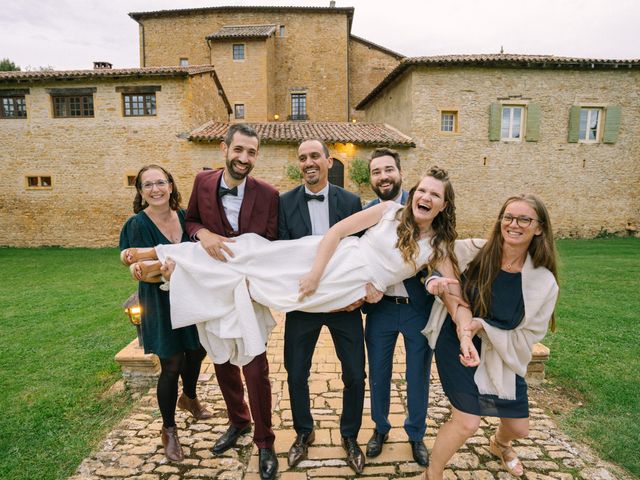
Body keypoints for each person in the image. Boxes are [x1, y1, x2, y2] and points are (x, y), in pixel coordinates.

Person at [421, 194, 559, 479]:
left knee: (520, 428)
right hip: (456, 340)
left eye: (524, 219)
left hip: (501, 351)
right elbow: (436, 254)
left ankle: (500, 444)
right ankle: (432, 474)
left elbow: (532, 332)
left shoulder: (544, 282)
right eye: (508, 217)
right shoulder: (476, 251)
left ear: (539, 228)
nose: (514, 224)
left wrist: (484, 327)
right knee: (467, 422)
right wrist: (434, 280)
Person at [182, 123, 279, 480]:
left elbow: (271, 241)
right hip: (212, 291)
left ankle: (265, 441)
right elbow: (190, 220)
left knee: (256, 366)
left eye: (251, 152)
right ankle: (238, 421)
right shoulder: (201, 182)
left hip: (248, 294)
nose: (244, 158)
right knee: (222, 360)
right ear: (224, 149)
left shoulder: (268, 194)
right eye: (238, 150)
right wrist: (203, 233)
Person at [279, 139, 366, 473]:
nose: (308, 162)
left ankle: (349, 436)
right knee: (296, 372)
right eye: (302, 158)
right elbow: (283, 255)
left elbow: (359, 252)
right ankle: (304, 432)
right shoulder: (284, 203)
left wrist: (358, 291)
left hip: (343, 306)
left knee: (356, 374)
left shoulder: (350, 201)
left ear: (329, 161)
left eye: (314, 156)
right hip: (303, 305)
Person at [119, 164, 212, 463]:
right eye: (148, 185)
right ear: (141, 192)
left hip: (190, 294)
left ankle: (190, 397)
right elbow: (133, 263)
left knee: (197, 351)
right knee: (172, 362)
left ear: (171, 186)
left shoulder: (187, 218)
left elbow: (200, 253)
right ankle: (169, 429)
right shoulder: (136, 224)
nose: (155, 189)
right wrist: (146, 267)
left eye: (161, 182)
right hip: (159, 302)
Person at [363, 148, 435, 466]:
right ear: (371, 179)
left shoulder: (419, 208)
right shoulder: (367, 212)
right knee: (378, 372)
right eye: (377, 171)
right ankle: (380, 428)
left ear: (400, 173)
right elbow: (355, 257)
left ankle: (416, 434)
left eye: (389, 169)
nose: (383, 176)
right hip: (380, 310)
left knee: (417, 374)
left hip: (419, 307)